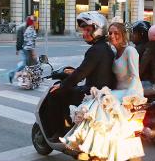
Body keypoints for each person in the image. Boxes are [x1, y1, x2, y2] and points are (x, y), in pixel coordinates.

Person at [62, 22, 145, 161]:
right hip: (115, 91)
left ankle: (90, 149)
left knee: (96, 105)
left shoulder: (130, 51)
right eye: (110, 33)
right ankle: (89, 148)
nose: (113, 36)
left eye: (116, 33)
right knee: (93, 105)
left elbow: (135, 76)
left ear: (123, 35)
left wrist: (130, 98)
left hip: (128, 92)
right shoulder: (114, 52)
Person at [45, 11, 115, 139]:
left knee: (54, 94)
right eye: (84, 30)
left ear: (98, 30)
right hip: (102, 91)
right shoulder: (104, 48)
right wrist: (74, 71)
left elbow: (80, 75)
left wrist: (62, 85)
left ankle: (60, 132)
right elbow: (88, 68)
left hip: (92, 92)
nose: (85, 34)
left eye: (88, 30)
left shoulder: (95, 50)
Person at [7, 19, 26, 84]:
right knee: (24, 63)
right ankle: (12, 74)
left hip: (27, 49)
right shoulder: (22, 27)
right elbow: (19, 39)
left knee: (26, 64)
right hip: (24, 48)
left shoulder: (28, 27)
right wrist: (18, 49)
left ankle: (25, 78)